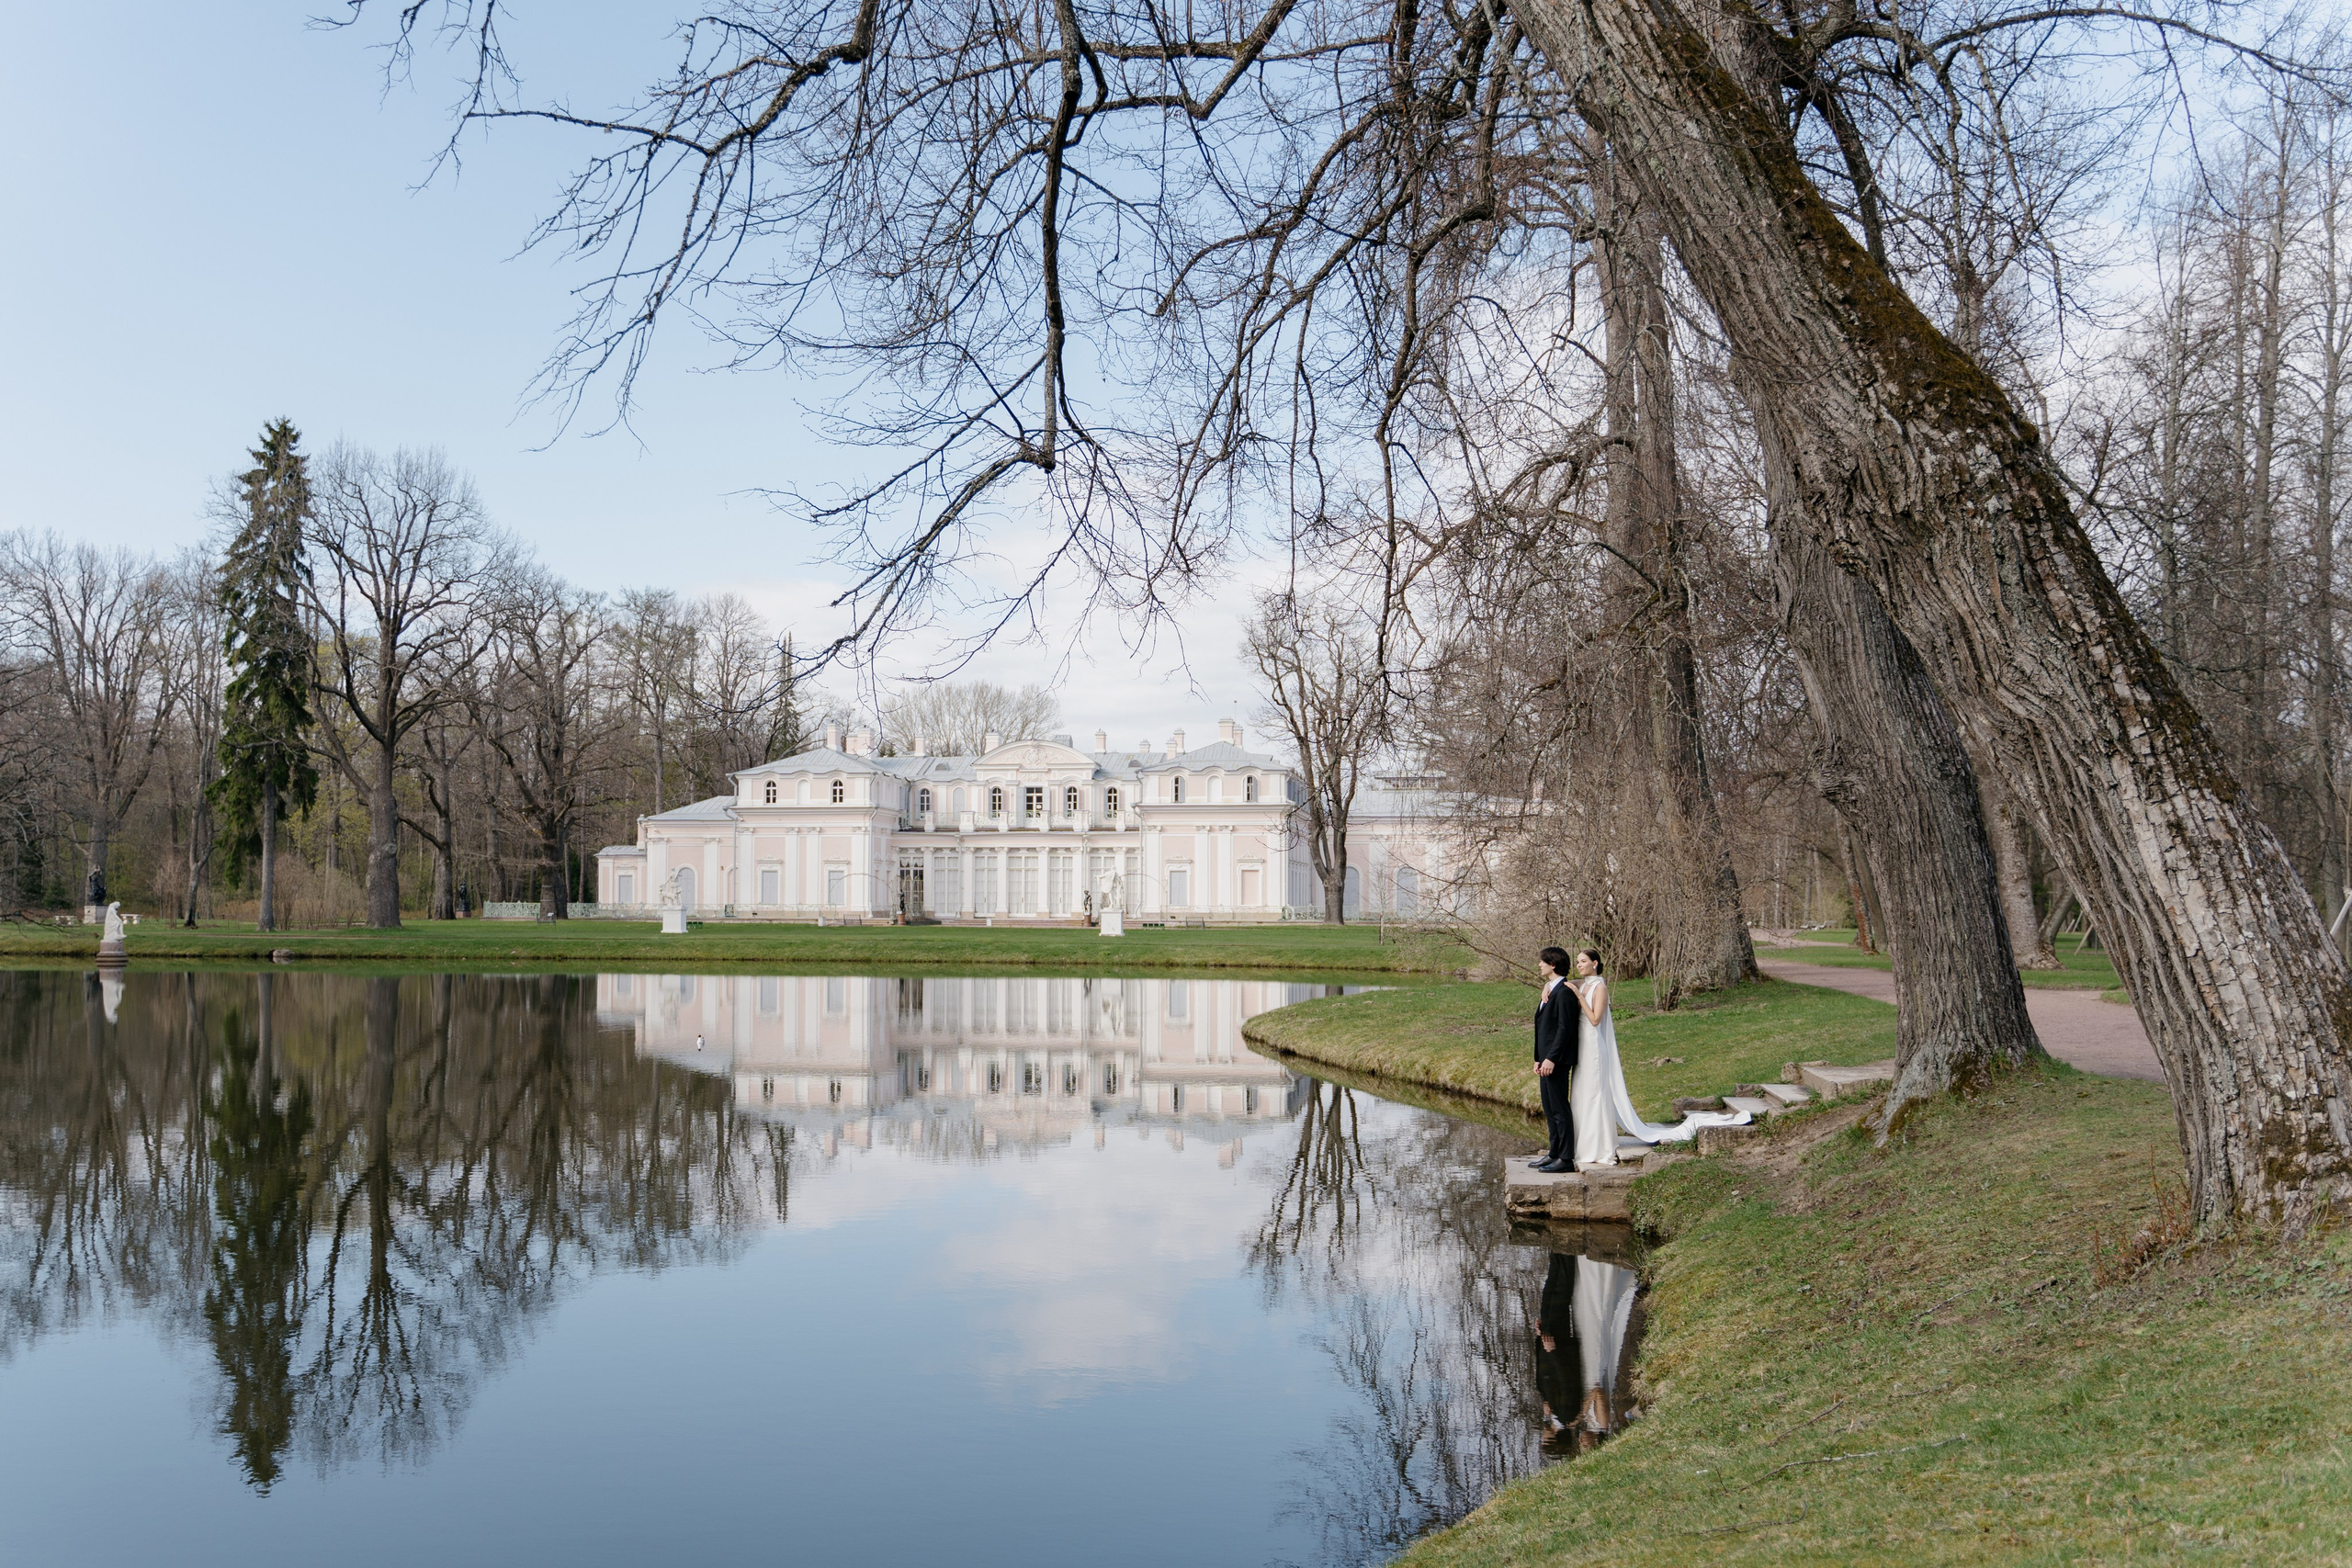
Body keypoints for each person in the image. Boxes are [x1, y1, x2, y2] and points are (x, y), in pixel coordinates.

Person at [1569, 947, 1750, 1167]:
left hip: (1595, 1048)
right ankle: (1582, 1143)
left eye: (1583, 961)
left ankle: (1597, 1147)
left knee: (1595, 1095)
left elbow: (1596, 1019)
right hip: (1583, 1047)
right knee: (1582, 1095)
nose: (1578, 965)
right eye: (1577, 962)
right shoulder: (1586, 984)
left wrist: (1579, 997)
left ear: (1595, 963)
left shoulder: (1600, 988)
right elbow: (1570, 985)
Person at [1530, 946, 1579, 1172]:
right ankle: (1554, 1153)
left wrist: (1551, 1059)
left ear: (1553, 965)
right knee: (1549, 1108)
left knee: (1560, 1108)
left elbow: (1564, 1029)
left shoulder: (1565, 992)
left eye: (1543, 961)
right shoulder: (1550, 989)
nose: (1539, 964)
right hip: (1546, 1060)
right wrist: (1538, 1058)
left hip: (1557, 1061)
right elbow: (1542, 1028)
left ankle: (1566, 1158)